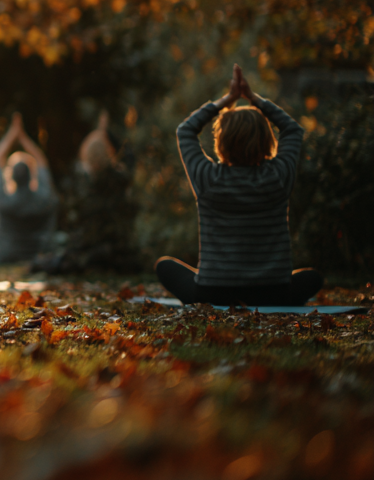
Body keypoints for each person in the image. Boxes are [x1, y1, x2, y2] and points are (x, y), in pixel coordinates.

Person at [156, 65, 321, 305]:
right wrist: (255, 100)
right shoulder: (278, 177)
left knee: (165, 266)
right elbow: (292, 129)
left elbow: (185, 130)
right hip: (274, 293)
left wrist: (226, 100)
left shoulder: (208, 178)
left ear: (222, 141)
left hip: (213, 293)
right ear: (266, 139)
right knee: (312, 278)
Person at [48, 112, 139, 273]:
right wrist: (104, 132)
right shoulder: (120, 179)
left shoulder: (79, 183)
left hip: (85, 250)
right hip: (116, 250)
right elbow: (129, 159)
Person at [0, 113, 57, 264]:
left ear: (11, 176)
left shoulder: (2, 199)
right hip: (38, 254)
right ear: (32, 175)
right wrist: (23, 137)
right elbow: (42, 162)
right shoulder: (44, 198)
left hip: (6, 255)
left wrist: (12, 134)